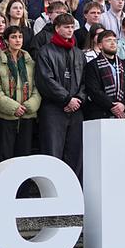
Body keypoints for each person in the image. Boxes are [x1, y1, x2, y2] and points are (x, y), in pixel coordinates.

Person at [35, 13, 86, 174]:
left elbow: (86, 80)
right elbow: (45, 80)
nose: (70, 30)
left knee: (75, 154)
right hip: (53, 109)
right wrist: (66, 99)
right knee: (52, 153)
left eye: (72, 27)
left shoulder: (79, 53)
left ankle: (73, 191)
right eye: (66, 27)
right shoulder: (45, 51)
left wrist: (78, 99)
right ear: (57, 28)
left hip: (76, 109)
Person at [0, 26, 40, 167]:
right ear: (6, 40)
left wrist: (29, 105)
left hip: (27, 116)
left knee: (24, 157)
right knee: (4, 156)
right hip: (6, 118)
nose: (17, 40)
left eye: (20, 37)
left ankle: (22, 189)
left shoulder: (31, 63)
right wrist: (14, 107)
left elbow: (37, 88)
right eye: (13, 37)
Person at [82, 30, 125, 123]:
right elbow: (94, 90)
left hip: (124, 114)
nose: (112, 43)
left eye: (115, 40)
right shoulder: (92, 65)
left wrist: (124, 105)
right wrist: (112, 106)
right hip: (101, 114)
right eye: (108, 40)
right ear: (100, 45)